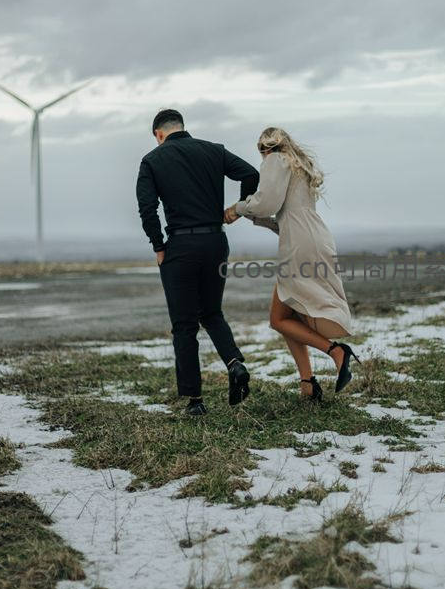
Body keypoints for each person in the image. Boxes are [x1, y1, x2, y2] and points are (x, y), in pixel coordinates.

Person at [136, 109, 260, 416]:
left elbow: (147, 207)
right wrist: (239, 208)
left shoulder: (152, 160)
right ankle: (235, 365)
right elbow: (251, 174)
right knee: (212, 312)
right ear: (181, 127)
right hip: (216, 242)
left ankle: (195, 401)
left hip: (179, 246)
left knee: (184, 325)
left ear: (158, 134)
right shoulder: (213, 150)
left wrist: (158, 245)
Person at [224, 126, 360, 401]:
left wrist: (238, 208)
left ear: (265, 148)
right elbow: (281, 216)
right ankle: (308, 385)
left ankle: (336, 352)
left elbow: (265, 203)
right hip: (315, 238)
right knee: (290, 316)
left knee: (278, 319)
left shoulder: (276, 160)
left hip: (300, 245)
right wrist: (250, 216)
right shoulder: (298, 165)